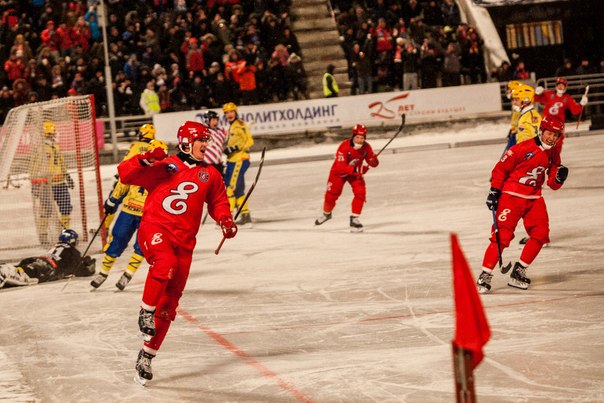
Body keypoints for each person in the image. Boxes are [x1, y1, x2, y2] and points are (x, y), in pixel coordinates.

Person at [117, 121, 237, 385]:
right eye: (201, 140)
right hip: (155, 228)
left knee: (170, 303)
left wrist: (225, 220)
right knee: (164, 262)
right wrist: (147, 159)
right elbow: (125, 174)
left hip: (185, 242)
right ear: (185, 143)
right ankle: (145, 311)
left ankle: (146, 356)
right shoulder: (166, 165)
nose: (206, 145)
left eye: (207, 140)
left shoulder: (211, 174)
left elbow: (218, 202)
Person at [477, 115, 568, 293]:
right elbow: (500, 169)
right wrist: (494, 191)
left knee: (541, 234)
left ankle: (519, 271)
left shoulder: (554, 152)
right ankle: (485, 274)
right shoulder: (523, 148)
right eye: (549, 133)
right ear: (542, 131)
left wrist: (558, 178)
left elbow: (552, 183)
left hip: (534, 198)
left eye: (556, 135)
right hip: (511, 196)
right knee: (502, 236)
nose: (552, 138)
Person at [90, 124, 157, 291]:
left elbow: (123, 177)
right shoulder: (155, 165)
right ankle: (121, 272)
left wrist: (113, 199)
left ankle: (109, 272)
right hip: (137, 211)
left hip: (141, 212)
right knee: (137, 245)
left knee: (123, 241)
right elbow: (125, 179)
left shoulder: (139, 153)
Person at [314, 124, 379, 232]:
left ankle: (354, 219)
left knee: (360, 193)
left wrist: (374, 160)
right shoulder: (344, 146)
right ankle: (326, 214)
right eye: (357, 137)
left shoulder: (367, 147)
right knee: (331, 196)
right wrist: (357, 170)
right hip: (338, 173)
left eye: (362, 138)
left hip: (355, 175)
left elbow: (372, 163)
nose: (359, 140)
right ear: (353, 136)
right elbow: (340, 167)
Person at [0, 229, 95, 289]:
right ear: (72, 240)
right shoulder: (73, 251)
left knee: (24, 267)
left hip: (39, 259)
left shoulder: (57, 246)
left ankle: (7, 270)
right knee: (31, 272)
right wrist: (89, 266)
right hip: (49, 266)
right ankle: (7, 274)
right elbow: (80, 270)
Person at [29, 121, 74, 246]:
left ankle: (65, 233)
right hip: (46, 186)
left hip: (60, 183)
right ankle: (43, 234)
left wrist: (67, 176)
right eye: (51, 133)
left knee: (66, 208)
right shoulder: (39, 149)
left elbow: (61, 162)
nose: (54, 135)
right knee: (45, 211)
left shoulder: (55, 146)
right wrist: (35, 184)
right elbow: (33, 167)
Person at [222, 102, 254, 226]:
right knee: (238, 189)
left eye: (231, 112)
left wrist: (236, 147)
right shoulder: (232, 126)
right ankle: (245, 214)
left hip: (239, 160)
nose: (229, 114)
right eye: (227, 113)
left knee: (231, 188)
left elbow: (249, 141)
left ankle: (228, 216)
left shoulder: (239, 125)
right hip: (232, 160)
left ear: (236, 112)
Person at [202, 110, 228, 175]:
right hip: (207, 165)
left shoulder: (221, 132)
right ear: (207, 121)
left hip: (219, 165)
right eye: (213, 120)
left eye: (216, 120)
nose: (216, 122)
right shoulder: (203, 132)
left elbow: (231, 136)